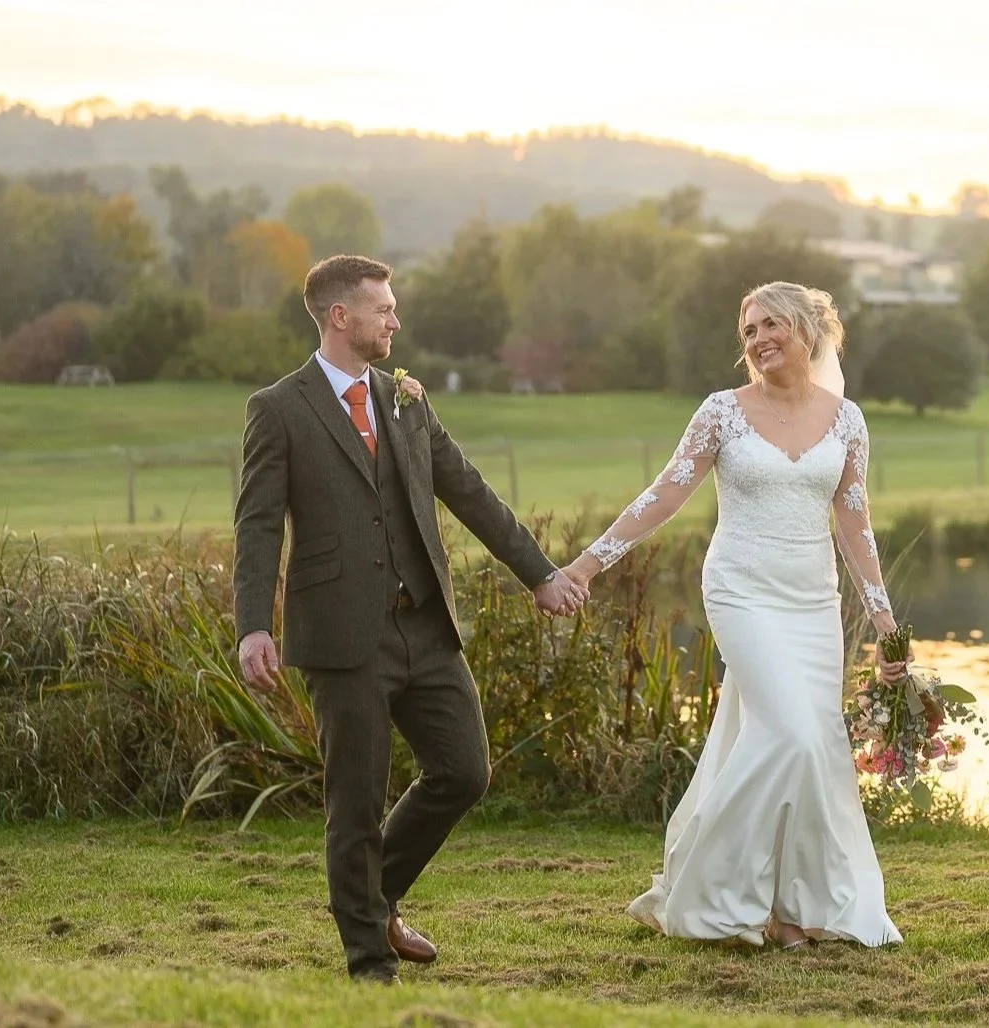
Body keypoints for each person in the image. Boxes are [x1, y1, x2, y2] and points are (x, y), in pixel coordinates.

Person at [232, 254, 587, 983]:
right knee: (354, 802)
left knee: (464, 769)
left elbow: (470, 491)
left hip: (424, 626)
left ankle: (378, 896)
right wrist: (252, 624)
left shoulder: (405, 398)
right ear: (340, 317)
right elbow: (258, 525)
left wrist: (541, 574)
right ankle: (368, 962)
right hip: (340, 636)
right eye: (383, 308)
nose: (395, 319)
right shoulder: (278, 408)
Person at [557, 281, 908, 950]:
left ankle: (793, 907)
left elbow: (855, 525)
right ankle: (715, 890)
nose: (759, 338)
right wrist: (585, 565)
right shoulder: (722, 413)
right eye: (749, 330)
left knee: (817, 747)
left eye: (772, 323)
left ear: (808, 329)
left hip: (812, 601)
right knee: (793, 736)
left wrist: (887, 622)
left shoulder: (848, 420)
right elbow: (663, 496)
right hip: (742, 590)